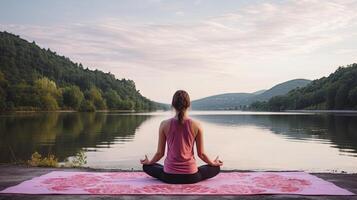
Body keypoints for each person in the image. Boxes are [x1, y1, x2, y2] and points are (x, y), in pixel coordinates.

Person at [140, 90, 223, 184]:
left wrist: (149, 162)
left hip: (169, 176)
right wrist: (212, 163)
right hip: (191, 176)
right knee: (216, 168)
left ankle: (157, 168)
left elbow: (160, 153)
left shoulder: (164, 124)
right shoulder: (197, 125)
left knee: (147, 166)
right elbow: (201, 154)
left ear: (172, 105)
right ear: (189, 105)